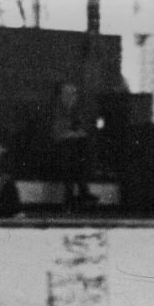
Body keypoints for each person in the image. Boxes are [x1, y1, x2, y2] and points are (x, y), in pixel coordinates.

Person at [49, 81, 98, 211]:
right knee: (70, 150)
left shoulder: (78, 111)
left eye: (74, 94)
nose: (72, 97)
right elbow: (58, 133)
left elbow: (84, 131)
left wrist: (74, 134)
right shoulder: (56, 111)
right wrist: (73, 134)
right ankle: (82, 191)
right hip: (57, 149)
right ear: (61, 95)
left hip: (74, 151)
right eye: (68, 94)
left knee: (75, 151)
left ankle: (72, 195)